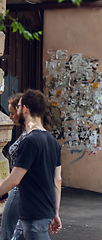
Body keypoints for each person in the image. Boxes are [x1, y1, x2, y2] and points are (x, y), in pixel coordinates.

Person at [0, 89, 62, 239]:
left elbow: (15, 179)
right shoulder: (52, 141)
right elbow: (57, 180)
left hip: (34, 213)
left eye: (19, 107)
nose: (17, 110)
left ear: (25, 108)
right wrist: (55, 212)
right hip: (44, 211)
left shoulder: (30, 141)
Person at [0, 93, 27, 240]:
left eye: (12, 113)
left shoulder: (28, 138)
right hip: (27, 191)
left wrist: (3, 190)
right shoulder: (31, 135)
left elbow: (17, 177)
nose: (10, 117)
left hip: (20, 190)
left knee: (8, 233)